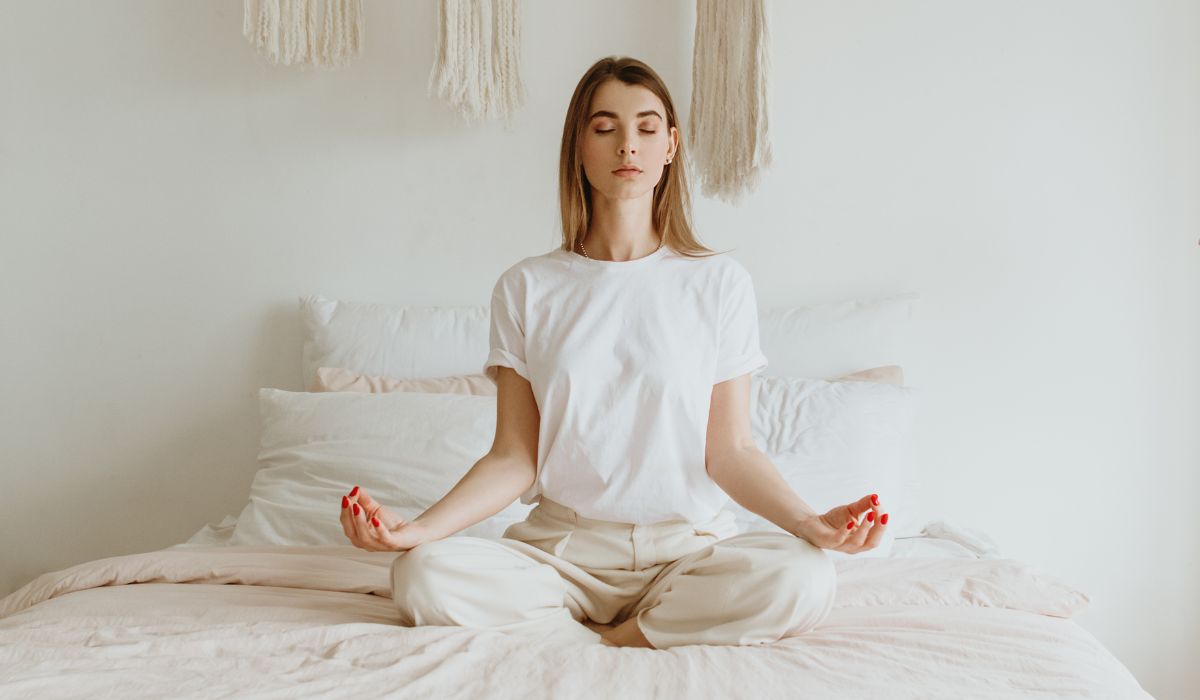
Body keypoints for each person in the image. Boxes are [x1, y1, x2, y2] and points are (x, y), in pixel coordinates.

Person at [337, 56, 890, 650]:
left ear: (671, 146)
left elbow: (730, 451)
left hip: (687, 551)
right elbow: (513, 457)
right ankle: (611, 629)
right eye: (605, 128)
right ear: (579, 145)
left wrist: (811, 524)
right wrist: (417, 531)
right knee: (422, 575)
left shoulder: (719, 283)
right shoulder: (527, 286)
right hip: (560, 555)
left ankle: (620, 637)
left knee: (804, 576)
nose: (628, 144)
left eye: (647, 128)